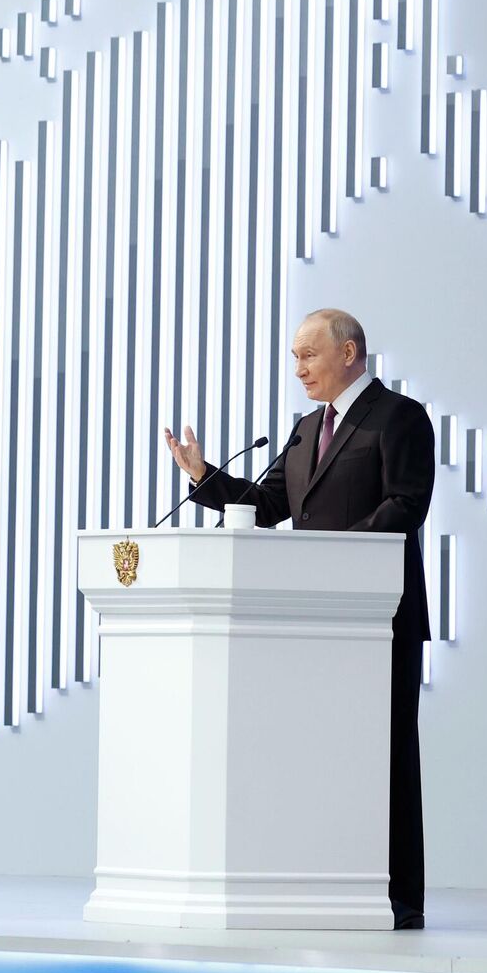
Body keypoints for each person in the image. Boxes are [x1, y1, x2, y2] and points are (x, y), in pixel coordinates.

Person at [161, 308, 435, 930]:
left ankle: (400, 898)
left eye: (309, 355)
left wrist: (331, 557)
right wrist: (202, 475)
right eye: (295, 358)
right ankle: (327, 884)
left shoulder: (399, 417)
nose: (300, 369)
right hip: (314, 625)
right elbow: (266, 505)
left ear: (349, 352)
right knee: (320, 754)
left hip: (381, 620)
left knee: (387, 756)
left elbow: (406, 504)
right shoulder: (307, 429)